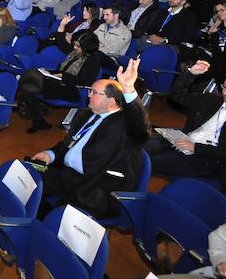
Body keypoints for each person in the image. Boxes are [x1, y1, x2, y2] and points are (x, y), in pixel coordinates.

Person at [29, 59, 150, 218]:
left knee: (58, 217)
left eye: (94, 92)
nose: (89, 96)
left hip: (96, 186)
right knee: (27, 179)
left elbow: (141, 129)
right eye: (90, 91)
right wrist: (51, 154)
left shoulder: (124, 124)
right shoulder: (86, 113)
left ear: (111, 101)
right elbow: (70, 144)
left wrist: (128, 89)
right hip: (68, 174)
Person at [145, 65, 226, 190]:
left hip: (207, 158)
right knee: (136, 147)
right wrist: (190, 73)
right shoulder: (212, 99)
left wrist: (196, 148)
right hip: (184, 139)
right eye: (224, 86)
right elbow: (177, 96)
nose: (225, 92)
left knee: (149, 162)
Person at [19, 31, 102, 132]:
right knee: (27, 88)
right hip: (59, 83)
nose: (75, 47)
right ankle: (38, 121)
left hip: (71, 90)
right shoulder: (77, 53)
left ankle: (17, 98)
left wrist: (63, 76)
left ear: (86, 47)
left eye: (78, 45)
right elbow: (63, 67)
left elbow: (84, 81)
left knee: (31, 72)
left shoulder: (93, 61)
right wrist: (51, 73)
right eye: (75, 44)